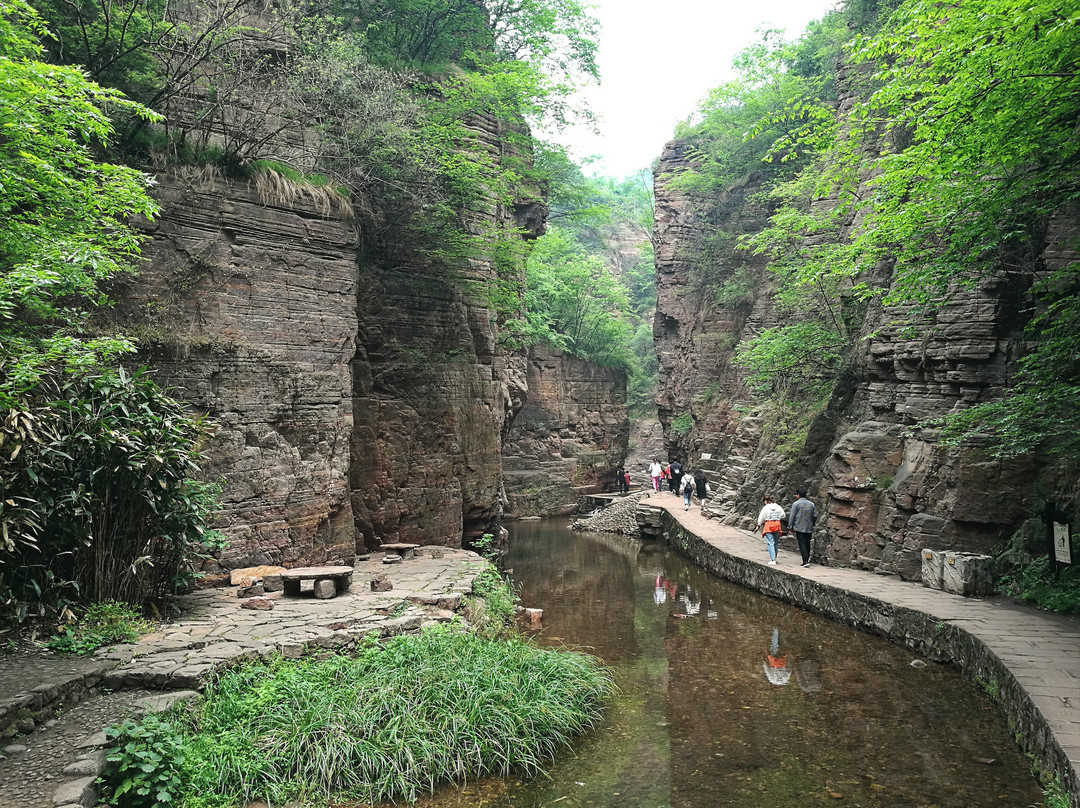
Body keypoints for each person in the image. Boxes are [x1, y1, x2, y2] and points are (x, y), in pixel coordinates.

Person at [788, 488, 817, 567]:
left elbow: (792, 516)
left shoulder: (796, 504)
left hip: (799, 526)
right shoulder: (811, 504)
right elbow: (815, 515)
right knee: (807, 543)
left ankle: (805, 561)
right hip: (809, 526)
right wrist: (812, 523)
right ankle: (807, 559)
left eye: (796, 495)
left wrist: (790, 527)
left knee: (802, 543)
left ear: (798, 495)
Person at [757, 494, 786, 565]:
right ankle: (775, 557)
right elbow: (783, 515)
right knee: (776, 542)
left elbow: (761, 517)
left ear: (765, 501)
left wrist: (758, 524)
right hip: (777, 524)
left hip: (769, 525)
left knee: (770, 542)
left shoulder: (766, 507)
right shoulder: (778, 507)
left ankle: (772, 560)